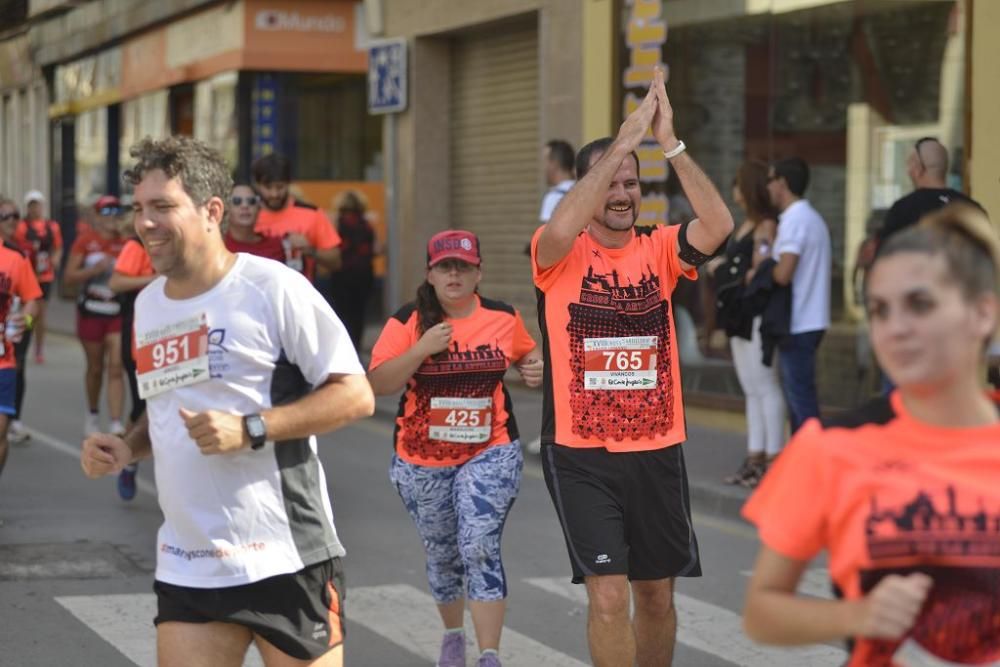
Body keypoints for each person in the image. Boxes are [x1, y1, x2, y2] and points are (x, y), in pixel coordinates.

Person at [80, 136, 374, 667]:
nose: (144, 223)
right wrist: (126, 447)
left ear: (212, 211)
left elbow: (355, 395)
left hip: (284, 554)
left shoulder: (272, 288)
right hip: (188, 561)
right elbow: (167, 407)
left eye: (163, 207)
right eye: (139, 208)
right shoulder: (148, 305)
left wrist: (251, 428)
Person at [531, 67, 733, 667]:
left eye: (631, 182)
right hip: (581, 455)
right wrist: (624, 139)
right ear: (589, 186)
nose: (621, 193)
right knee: (610, 597)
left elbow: (719, 225)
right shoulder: (558, 252)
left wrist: (667, 144)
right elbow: (564, 223)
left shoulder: (661, 248)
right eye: (611, 181)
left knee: (655, 594)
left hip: (656, 450)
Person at [742, 203, 1000, 665]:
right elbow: (761, 611)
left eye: (920, 304)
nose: (895, 329)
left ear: (982, 314)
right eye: (880, 310)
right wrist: (858, 616)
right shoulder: (832, 443)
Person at [368, 230, 543, 667]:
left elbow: (525, 354)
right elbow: (379, 385)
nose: (454, 275)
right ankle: (452, 636)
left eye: (463, 267)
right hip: (422, 460)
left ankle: (489, 656)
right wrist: (423, 349)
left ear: (478, 272)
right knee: (444, 555)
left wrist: (532, 366)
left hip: (490, 449)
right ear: (430, 273)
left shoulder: (502, 316)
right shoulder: (407, 321)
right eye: (445, 266)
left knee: (479, 544)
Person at [710, 161, 785, 488]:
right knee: (751, 389)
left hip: (755, 312)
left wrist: (724, 267)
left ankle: (773, 458)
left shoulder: (766, 225)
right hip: (738, 312)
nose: (734, 191)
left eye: (738, 184)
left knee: (765, 384)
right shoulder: (746, 225)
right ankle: (755, 456)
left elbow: (760, 265)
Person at [766, 157, 832, 433]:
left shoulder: (795, 221)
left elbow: (783, 273)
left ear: (782, 183)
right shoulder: (810, 217)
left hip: (799, 321)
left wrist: (760, 269)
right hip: (811, 318)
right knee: (800, 400)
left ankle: (811, 467)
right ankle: (805, 462)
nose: (767, 187)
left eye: (770, 180)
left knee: (801, 403)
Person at [63, 195, 128, 437]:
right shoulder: (86, 241)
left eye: (116, 212)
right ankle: (92, 414)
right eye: (106, 212)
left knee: (116, 366)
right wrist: (94, 270)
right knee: (95, 368)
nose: (112, 218)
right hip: (91, 311)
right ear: (97, 216)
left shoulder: (126, 242)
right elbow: (69, 278)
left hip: (117, 312)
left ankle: (115, 422)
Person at [108, 218, 156, 501]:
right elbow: (116, 282)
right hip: (141, 339)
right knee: (143, 408)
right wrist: (153, 279)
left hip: (176, 339)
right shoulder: (136, 246)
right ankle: (129, 461)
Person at [0, 198, 42, 485]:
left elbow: (32, 300)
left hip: (3, 359)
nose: (12, 221)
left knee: (1, 432)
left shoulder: (15, 258)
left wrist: (24, 321)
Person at [876, 137, 983, 246]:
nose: (908, 169)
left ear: (918, 169)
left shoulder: (902, 210)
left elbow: (886, 255)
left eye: (910, 163)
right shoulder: (972, 209)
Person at [252, 153, 342, 281]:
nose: (274, 194)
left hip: (299, 296)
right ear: (257, 185)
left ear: (289, 183)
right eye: (268, 187)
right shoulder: (247, 215)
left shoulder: (311, 213)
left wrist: (311, 250)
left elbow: (336, 262)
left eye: (280, 187)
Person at [16, 190, 63, 365]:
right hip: (26, 276)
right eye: (31, 205)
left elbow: (58, 247)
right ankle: (24, 339)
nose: (35, 208)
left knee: (40, 314)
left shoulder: (52, 227)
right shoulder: (21, 227)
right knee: (28, 311)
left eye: (37, 204)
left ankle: (39, 348)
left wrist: (56, 258)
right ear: (27, 207)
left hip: (45, 277)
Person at [329, 191, 377, 350]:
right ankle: (356, 344)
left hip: (342, 274)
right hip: (363, 274)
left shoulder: (337, 223)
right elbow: (373, 249)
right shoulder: (367, 224)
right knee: (359, 313)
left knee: (342, 313)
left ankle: (344, 345)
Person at [224, 184, 286, 262]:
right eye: (237, 201)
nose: (245, 206)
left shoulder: (276, 247)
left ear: (259, 208)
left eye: (251, 201)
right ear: (226, 208)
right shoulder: (218, 245)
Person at [540, 140, 576, 223]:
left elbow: (548, 234)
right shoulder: (585, 192)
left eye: (545, 161)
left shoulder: (553, 198)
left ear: (554, 164)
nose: (543, 167)